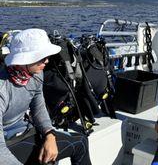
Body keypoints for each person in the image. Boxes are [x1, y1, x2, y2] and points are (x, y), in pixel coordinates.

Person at [0, 28, 93, 165]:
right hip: (7, 141)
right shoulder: (2, 88)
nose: (47, 61)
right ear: (24, 59)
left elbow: (38, 107)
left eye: (47, 56)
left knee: (81, 142)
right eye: (42, 57)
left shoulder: (36, 74)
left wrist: (50, 135)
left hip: (25, 131)